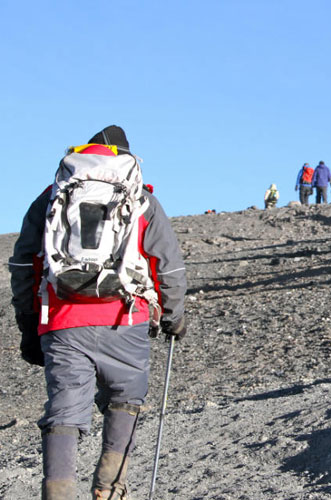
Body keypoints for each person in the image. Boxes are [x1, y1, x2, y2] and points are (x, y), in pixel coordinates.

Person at [8, 125, 187, 500]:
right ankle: (109, 487)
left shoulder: (53, 196)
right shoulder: (141, 199)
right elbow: (167, 265)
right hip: (125, 317)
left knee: (65, 408)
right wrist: (173, 316)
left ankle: (57, 494)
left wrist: (30, 327)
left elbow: (25, 264)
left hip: (63, 320)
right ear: (124, 156)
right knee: (125, 397)